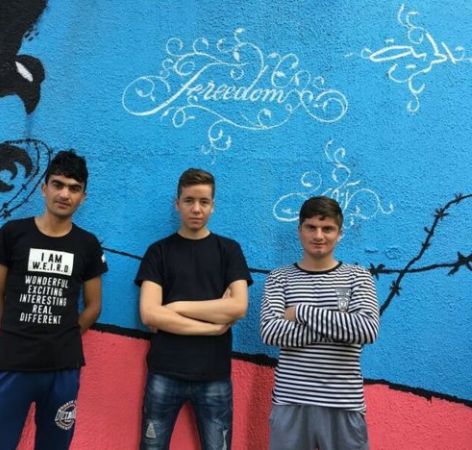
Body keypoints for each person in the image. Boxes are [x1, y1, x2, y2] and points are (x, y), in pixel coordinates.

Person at [0, 150, 108, 450]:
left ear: (83, 197)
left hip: (62, 367)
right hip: (11, 361)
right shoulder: (13, 233)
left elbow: (94, 305)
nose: (64, 194)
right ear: (44, 188)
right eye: (58, 184)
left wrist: (64, 336)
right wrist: (15, 331)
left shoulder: (87, 244)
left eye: (74, 188)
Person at [135, 168, 252, 449]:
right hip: (164, 372)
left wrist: (175, 307)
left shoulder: (229, 250)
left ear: (213, 205)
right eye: (189, 201)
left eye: (203, 202)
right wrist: (212, 328)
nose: (196, 209)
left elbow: (238, 307)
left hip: (214, 375)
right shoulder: (158, 252)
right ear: (177, 204)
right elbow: (149, 313)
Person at [260, 196, 379, 450]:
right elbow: (270, 332)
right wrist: (340, 328)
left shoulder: (358, 277)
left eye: (327, 229)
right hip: (291, 401)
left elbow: (367, 329)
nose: (318, 235)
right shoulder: (279, 278)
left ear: (339, 233)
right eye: (311, 227)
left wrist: (301, 311)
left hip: (343, 403)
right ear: (299, 230)